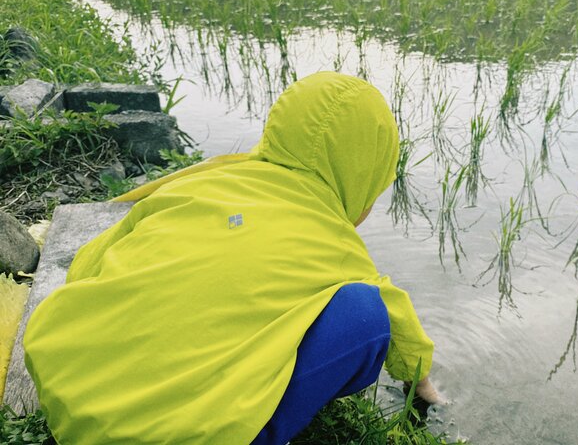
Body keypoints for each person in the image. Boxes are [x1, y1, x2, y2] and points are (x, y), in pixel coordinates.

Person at [23, 72, 441, 444]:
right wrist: (421, 384)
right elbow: (393, 314)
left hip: (68, 395)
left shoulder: (199, 185)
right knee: (366, 315)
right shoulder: (336, 244)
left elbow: (87, 261)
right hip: (178, 436)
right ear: (365, 171)